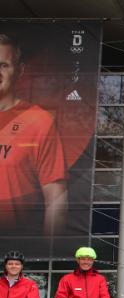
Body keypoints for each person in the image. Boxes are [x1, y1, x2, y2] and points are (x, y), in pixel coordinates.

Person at [0, 34, 67, 235]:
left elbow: (56, 199)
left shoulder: (39, 120)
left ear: (20, 70)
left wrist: (48, 254)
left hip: (15, 242)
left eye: (3, 65)